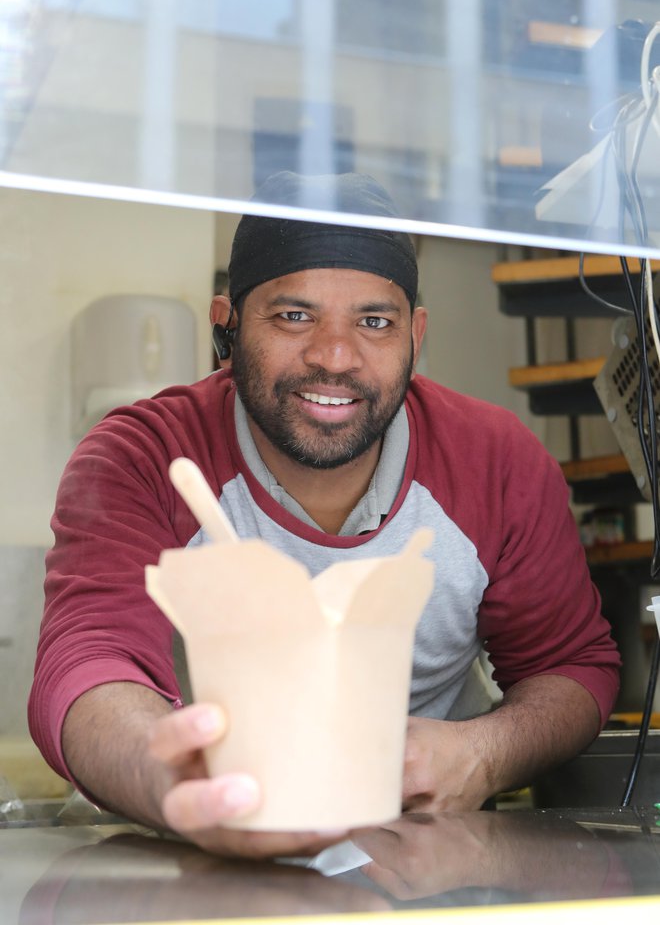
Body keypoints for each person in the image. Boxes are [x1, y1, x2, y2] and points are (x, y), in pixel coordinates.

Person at [29, 171, 620, 860]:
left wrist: (484, 753)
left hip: (428, 870)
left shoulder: (498, 462)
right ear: (226, 323)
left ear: (415, 335)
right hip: (188, 864)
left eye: (374, 322)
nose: (335, 357)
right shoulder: (142, 455)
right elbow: (88, 665)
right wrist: (182, 784)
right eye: (294, 316)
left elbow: (574, 665)